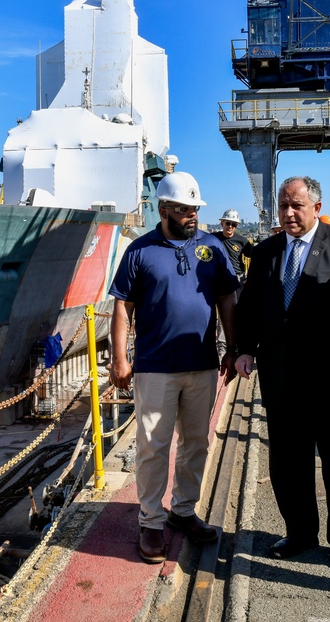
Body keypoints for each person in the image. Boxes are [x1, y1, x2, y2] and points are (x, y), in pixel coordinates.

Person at [234, 177, 330, 575]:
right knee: (288, 462)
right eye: (283, 205)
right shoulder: (265, 252)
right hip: (283, 378)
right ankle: (300, 532)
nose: (288, 213)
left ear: (317, 206)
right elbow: (250, 306)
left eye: (297, 205)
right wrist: (244, 349)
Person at [108, 170, 239, 564]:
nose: (192, 216)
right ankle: (150, 520)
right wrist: (120, 358)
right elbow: (122, 307)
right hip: (155, 367)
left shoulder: (213, 248)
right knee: (153, 447)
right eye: (184, 210)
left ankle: (183, 511)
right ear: (164, 210)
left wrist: (233, 348)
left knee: (196, 442)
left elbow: (227, 301)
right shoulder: (140, 252)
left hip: (201, 364)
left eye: (195, 209)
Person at [212, 208, 253, 283]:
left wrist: (250, 277)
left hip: (237, 279)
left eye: (233, 224)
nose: (230, 226)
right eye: (228, 223)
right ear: (222, 223)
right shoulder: (212, 238)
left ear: (236, 226)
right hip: (218, 279)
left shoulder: (242, 241)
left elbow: (256, 258)